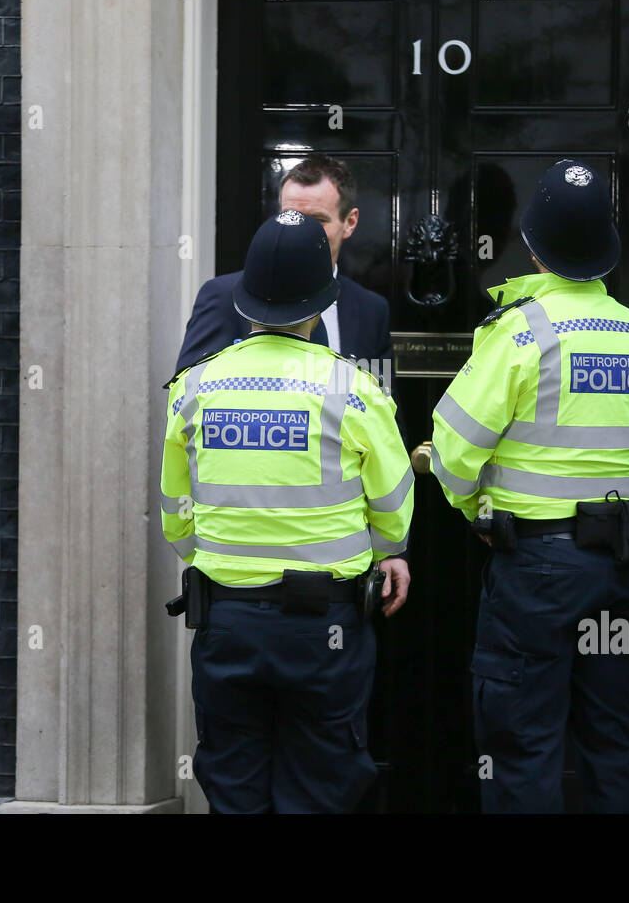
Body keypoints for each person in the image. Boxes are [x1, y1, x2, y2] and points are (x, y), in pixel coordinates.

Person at [430, 159, 629, 814]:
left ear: (532, 245)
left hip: (536, 570)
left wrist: (475, 505)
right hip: (618, 563)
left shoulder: (521, 330)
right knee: (609, 748)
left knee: (524, 750)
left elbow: (453, 447)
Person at [160, 210, 414, 813]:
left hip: (228, 622)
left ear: (244, 303)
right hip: (324, 628)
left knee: (235, 789)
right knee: (320, 788)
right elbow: (394, 505)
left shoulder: (195, 388)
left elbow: (177, 515)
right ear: (320, 302)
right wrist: (385, 553)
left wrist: (225, 564)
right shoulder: (354, 389)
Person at [174, 153, 392, 378]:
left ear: (350, 222)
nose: (303, 234)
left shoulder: (371, 310)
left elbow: (384, 404)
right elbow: (189, 396)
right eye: (292, 217)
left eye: (318, 220)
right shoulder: (222, 296)